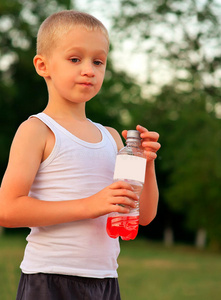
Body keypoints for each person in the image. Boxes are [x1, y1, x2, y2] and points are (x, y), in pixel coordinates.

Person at [0, 10, 161, 300]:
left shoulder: (113, 138)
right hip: (49, 278)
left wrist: (147, 166)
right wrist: (91, 205)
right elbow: (8, 210)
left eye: (98, 61)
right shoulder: (37, 130)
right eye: (75, 59)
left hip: (105, 280)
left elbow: (145, 215)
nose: (89, 69)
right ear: (43, 65)